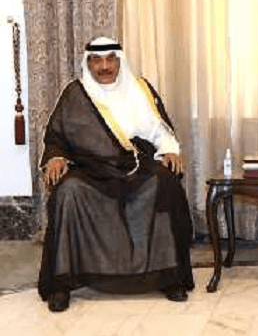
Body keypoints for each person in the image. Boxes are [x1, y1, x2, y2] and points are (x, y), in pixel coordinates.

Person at [38, 37, 194, 312]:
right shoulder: (76, 94)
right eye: (97, 60)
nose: (104, 66)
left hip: (137, 163)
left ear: (120, 61)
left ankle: (168, 276)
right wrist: (56, 157)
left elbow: (160, 130)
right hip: (90, 167)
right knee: (68, 192)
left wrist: (170, 150)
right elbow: (56, 136)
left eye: (110, 59)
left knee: (165, 183)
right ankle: (62, 282)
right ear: (88, 63)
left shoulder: (139, 88)